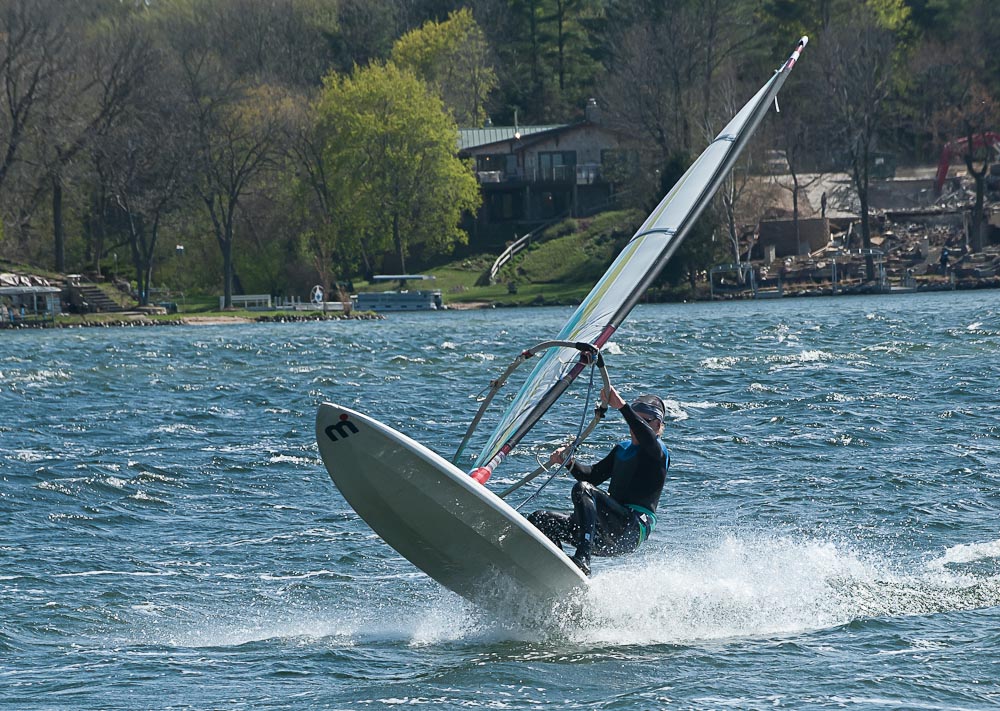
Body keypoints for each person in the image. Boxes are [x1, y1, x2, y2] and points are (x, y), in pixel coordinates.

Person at [527, 386, 669, 576]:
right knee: (540, 519)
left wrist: (621, 406)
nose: (636, 427)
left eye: (645, 421)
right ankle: (560, 574)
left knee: (584, 489)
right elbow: (592, 476)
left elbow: (646, 438)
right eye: (636, 420)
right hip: (603, 532)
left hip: (630, 530)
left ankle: (582, 560)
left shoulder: (658, 451)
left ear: (658, 425)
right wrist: (569, 462)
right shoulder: (622, 449)